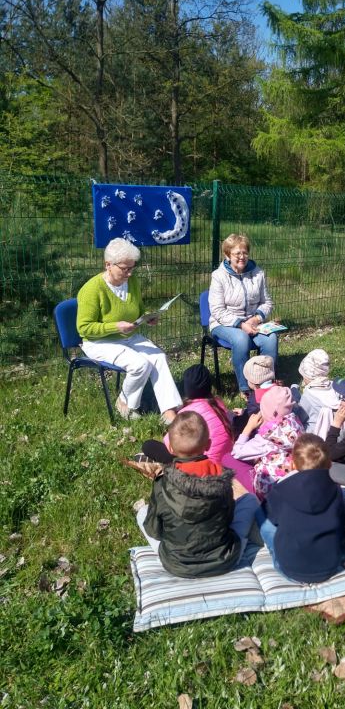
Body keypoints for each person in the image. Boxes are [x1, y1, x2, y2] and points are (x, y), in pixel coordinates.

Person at [136, 411, 259, 578]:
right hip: (225, 560)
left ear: (170, 448)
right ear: (208, 444)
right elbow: (228, 520)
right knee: (250, 500)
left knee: (142, 513)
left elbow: (154, 531)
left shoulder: (162, 483)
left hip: (176, 564)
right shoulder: (221, 478)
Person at [76, 237, 181, 423]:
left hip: (128, 336)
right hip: (99, 342)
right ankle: (125, 403)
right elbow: (84, 328)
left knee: (158, 357)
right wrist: (115, 326)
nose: (130, 273)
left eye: (132, 268)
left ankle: (169, 411)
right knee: (139, 364)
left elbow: (137, 309)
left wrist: (147, 318)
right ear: (108, 264)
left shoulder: (131, 282)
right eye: (125, 268)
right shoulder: (92, 289)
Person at [256, 434, 345, 583]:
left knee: (261, 514)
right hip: (330, 565)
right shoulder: (335, 489)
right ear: (330, 464)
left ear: (293, 465)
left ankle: (276, 553)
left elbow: (272, 517)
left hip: (290, 570)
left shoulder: (281, 489)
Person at [208, 233, 277, 394]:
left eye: (245, 252)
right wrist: (241, 324)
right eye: (237, 253)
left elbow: (267, 302)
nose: (242, 257)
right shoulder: (218, 276)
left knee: (271, 338)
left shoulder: (258, 273)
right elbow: (217, 310)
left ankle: (265, 384)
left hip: (252, 322)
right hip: (223, 323)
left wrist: (257, 317)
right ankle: (245, 388)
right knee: (241, 338)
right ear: (227, 255)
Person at [231, 385, 304, 499]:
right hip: (292, 478)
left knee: (228, 459)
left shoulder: (266, 438)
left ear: (270, 412)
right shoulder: (295, 422)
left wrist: (248, 427)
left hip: (269, 489)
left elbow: (237, 452)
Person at [290, 348, 341, 438]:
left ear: (309, 375)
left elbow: (300, 418)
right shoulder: (336, 387)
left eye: (304, 376)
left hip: (315, 439)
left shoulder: (309, 396)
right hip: (338, 433)